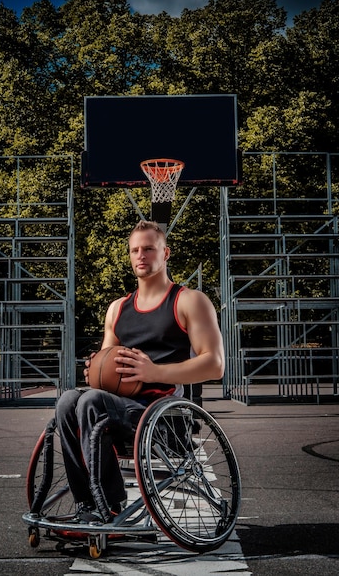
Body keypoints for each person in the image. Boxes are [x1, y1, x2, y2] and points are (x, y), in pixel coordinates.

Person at [56, 219, 225, 523]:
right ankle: (89, 503)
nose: (141, 256)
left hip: (164, 419)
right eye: (135, 250)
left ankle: (107, 505)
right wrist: (96, 369)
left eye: (149, 248)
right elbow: (107, 376)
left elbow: (215, 364)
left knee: (91, 401)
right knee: (69, 400)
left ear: (165, 253)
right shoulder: (118, 308)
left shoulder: (189, 301)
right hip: (119, 412)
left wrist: (153, 372)